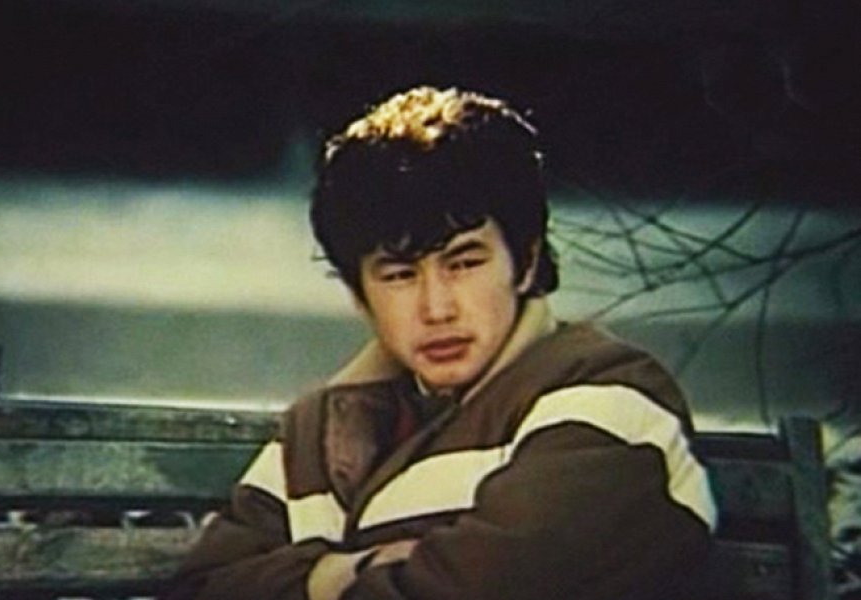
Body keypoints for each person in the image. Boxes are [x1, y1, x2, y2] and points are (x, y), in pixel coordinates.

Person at [166, 85, 716, 600]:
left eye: (464, 263)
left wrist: (317, 582)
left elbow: (488, 585)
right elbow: (202, 588)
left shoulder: (607, 396)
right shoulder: (319, 432)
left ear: (524, 263)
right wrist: (347, 572)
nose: (436, 308)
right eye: (400, 275)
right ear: (359, 295)